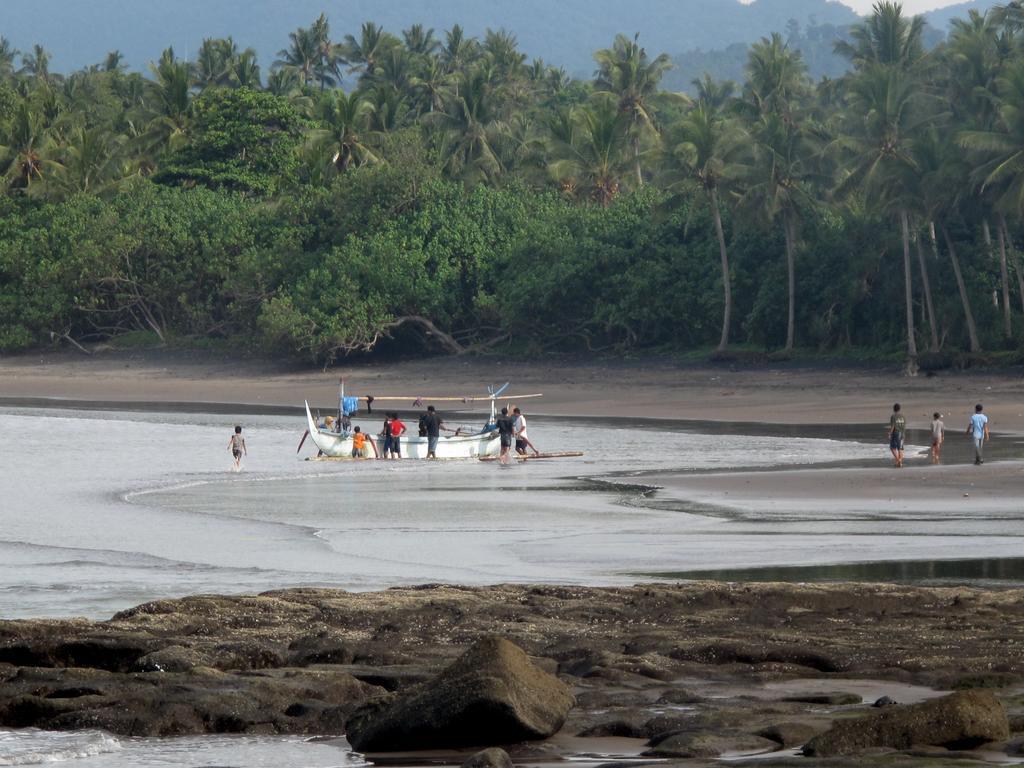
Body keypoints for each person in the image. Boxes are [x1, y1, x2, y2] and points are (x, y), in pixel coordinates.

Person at [888, 403, 906, 468]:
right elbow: (904, 425)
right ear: (899, 409)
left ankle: (898, 460)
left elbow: (893, 426)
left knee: (892, 447)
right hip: (902, 433)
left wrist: (890, 433)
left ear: (894, 408)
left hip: (896, 433)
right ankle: (899, 462)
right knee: (900, 448)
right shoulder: (903, 416)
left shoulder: (893, 416)